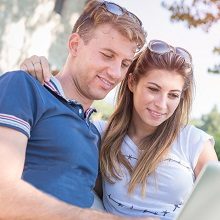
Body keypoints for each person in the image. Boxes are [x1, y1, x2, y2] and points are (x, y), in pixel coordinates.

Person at [24, 39, 218, 220]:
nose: (161, 104)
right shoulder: (99, 134)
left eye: (173, 95)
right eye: (153, 89)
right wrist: (34, 76)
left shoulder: (195, 142)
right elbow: (46, 137)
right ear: (132, 82)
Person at [0, 1, 158, 219]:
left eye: (124, 64)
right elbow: (3, 195)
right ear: (75, 45)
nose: (115, 72)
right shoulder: (24, 87)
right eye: (107, 55)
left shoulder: (95, 133)